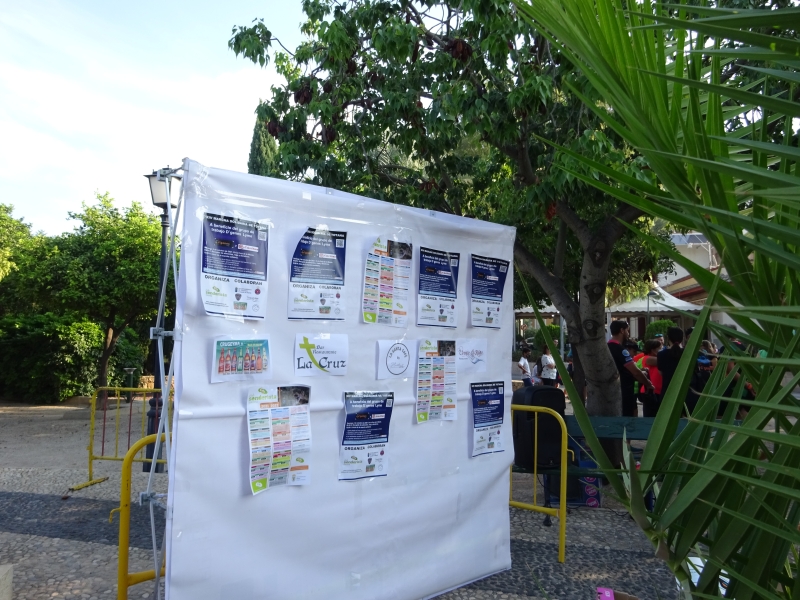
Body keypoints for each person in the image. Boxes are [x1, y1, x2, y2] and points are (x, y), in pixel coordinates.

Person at [607, 320, 654, 417]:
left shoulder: (606, 348)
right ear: (622, 330)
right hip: (624, 392)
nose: (628, 334)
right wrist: (648, 384)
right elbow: (635, 372)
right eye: (627, 331)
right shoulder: (621, 350)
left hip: (610, 391)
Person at [637, 339, 663, 417]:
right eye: (659, 348)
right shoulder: (647, 358)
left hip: (657, 391)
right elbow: (664, 360)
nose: (661, 350)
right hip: (651, 391)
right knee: (650, 416)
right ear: (653, 350)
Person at [657, 327, 685, 398]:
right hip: (686, 389)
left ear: (668, 338)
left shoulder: (661, 354)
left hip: (668, 390)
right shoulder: (688, 353)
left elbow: (660, 372)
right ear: (682, 338)